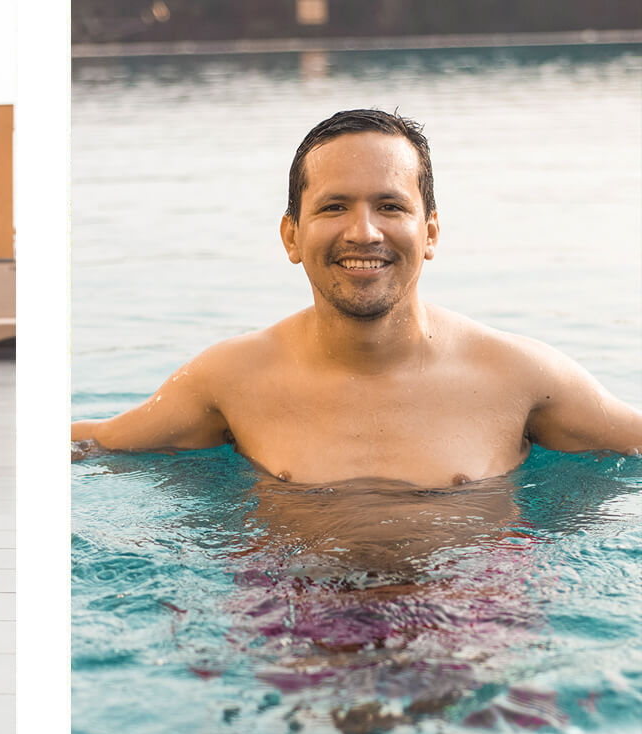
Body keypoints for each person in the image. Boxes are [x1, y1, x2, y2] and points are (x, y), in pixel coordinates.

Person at [71, 109, 642, 488]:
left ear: (432, 233)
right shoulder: (228, 380)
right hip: (295, 627)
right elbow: (98, 441)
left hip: (466, 625)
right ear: (291, 236)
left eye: (390, 206)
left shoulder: (522, 377)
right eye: (334, 206)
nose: (364, 232)